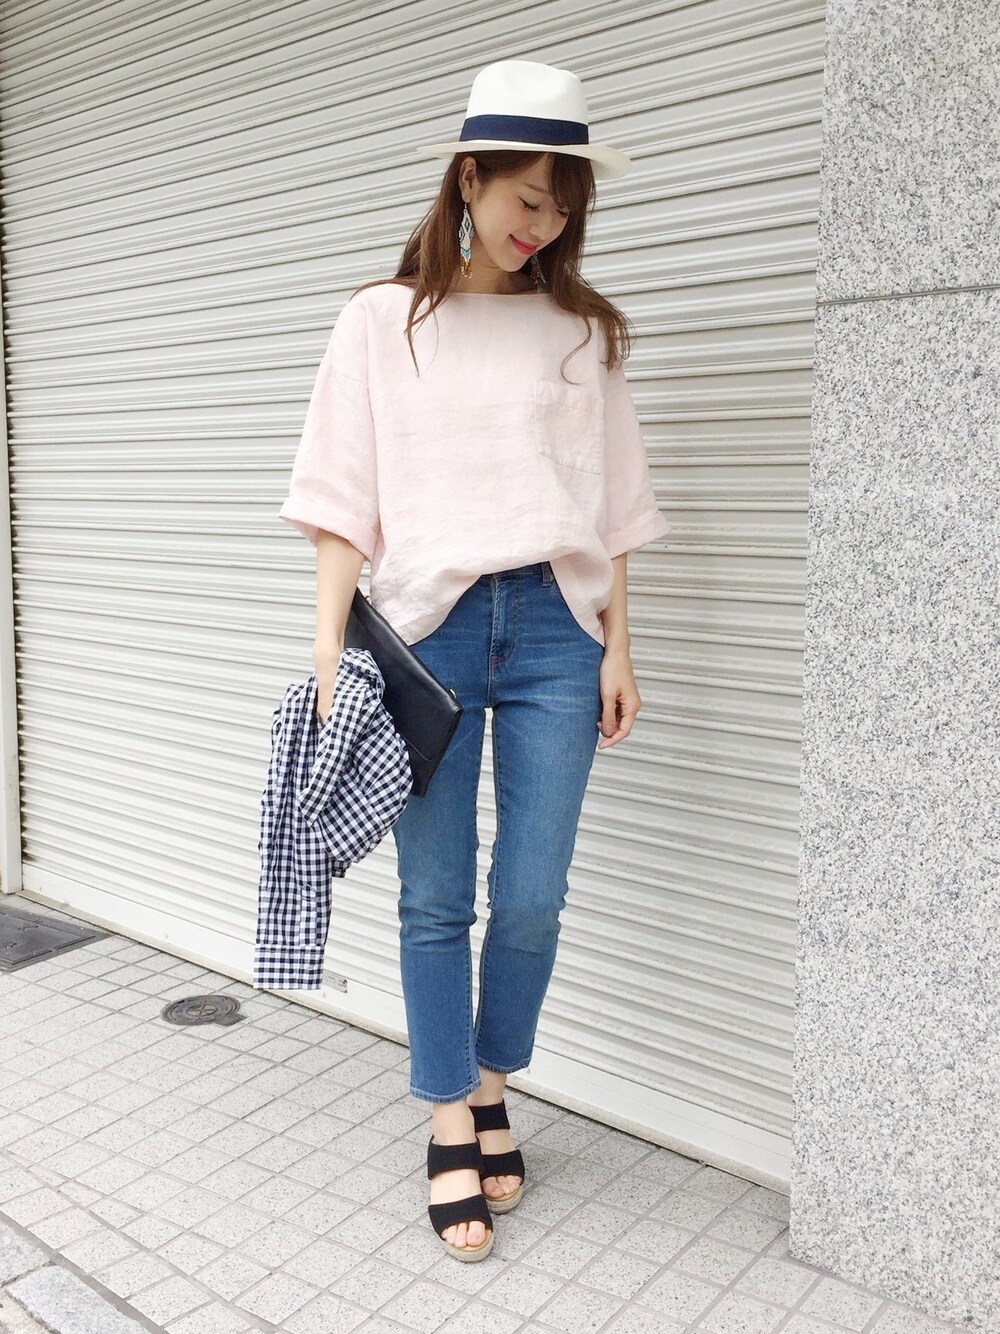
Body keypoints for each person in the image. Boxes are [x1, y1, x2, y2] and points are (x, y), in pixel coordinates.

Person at [277, 59, 670, 1261]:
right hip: (427, 633)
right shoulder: (381, 320)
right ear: (468, 178)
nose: (539, 224)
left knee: (534, 893)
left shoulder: (581, 331)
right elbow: (342, 492)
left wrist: (618, 643)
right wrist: (328, 644)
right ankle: (453, 1115)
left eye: (560, 206)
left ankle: (494, 1080)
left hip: (556, 629)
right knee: (435, 893)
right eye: (525, 197)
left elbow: (611, 505)